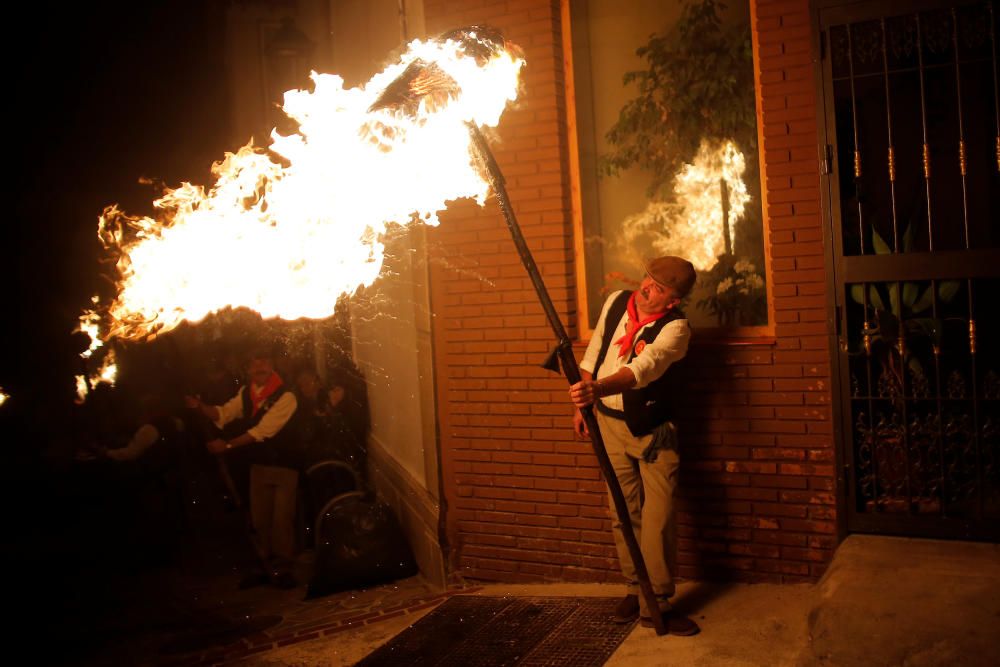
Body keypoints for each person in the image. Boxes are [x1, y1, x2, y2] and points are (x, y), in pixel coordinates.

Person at [569, 255, 700, 636]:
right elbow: (595, 353)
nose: (646, 288)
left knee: (657, 520)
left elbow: (643, 370)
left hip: (654, 431)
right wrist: (583, 404)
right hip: (608, 424)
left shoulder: (676, 330)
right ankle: (635, 588)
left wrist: (599, 389)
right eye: (647, 279)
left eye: (659, 288)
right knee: (622, 511)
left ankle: (656, 602)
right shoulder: (616, 302)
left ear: (672, 301)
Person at [185, 346, 299, 589]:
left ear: (272, 365)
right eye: (254, 364)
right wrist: (199, 406)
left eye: (264, 362)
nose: (259, 368)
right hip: (258, 466)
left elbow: (263, 431)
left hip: (284, 465)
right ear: (248, 369)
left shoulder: (286, 396)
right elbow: (223, 414)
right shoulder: (247, 394)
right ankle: (263, 567)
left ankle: (284, 569)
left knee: (281, 520)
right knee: (260, 518)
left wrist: (226, 446)